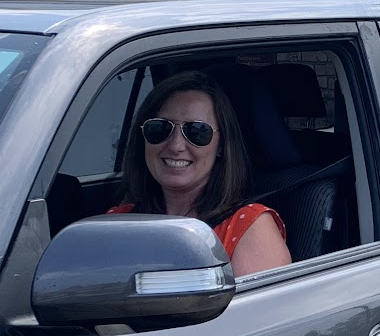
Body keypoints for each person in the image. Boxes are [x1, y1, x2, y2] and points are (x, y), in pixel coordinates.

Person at [111, 71, 291, 276]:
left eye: (197, 132)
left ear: (221, 146)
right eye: (159, 128)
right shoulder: (119, 222)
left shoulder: (249, 228)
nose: (176, 146)